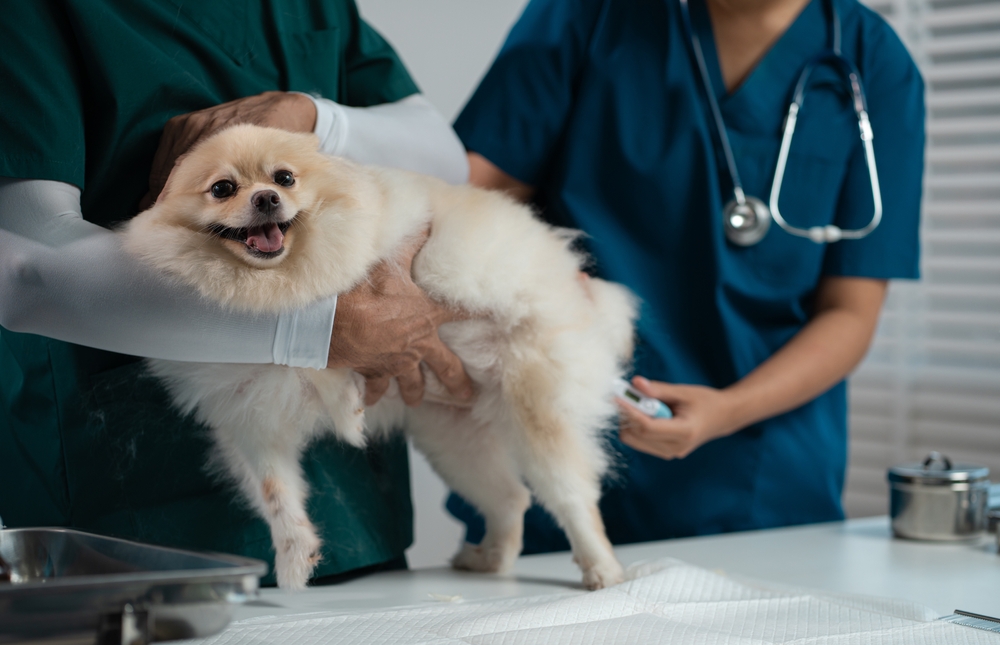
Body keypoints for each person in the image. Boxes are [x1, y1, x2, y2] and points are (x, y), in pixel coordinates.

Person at [0, 1, 474, 584]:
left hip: (358, 515)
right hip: (133, 530)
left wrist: (316, 118)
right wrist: (323, 327)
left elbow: (446, 157)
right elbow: (26, 268)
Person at [448, 0, 925, 552]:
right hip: (560, 440)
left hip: (763, 481)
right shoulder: (585, 17)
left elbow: (850, 312)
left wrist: (729, 411)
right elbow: (471, 209)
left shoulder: (875, 61)